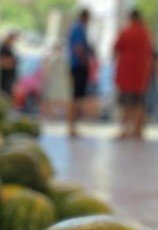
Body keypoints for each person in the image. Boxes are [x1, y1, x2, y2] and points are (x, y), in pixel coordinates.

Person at [113, 9, 153, 140]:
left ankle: (125, 130)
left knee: (126, 103)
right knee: (139, 102)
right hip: (141, 74)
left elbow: (115, 48)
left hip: (126, 73)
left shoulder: (126, 32)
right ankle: (138, 130)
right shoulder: (145, 33)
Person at [67, 9, 92, 138]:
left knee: (77, 97)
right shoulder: (78, 29)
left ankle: (73, 126)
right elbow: (78, 48)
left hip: (77, 66)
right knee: (76, 97)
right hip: (78, 66)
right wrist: (85, 62)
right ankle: (71, 126)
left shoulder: (77, 28)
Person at [0, 32, 19, 97]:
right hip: (6, 77)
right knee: (5, 94)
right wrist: (12, 62)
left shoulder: (9, 48)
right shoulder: (4, 48)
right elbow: (2, 62)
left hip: (10, 76)